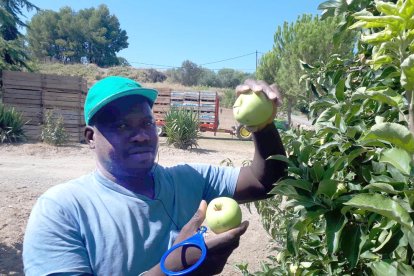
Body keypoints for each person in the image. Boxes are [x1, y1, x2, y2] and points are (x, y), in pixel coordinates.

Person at [23, 76, 287, 275]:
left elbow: (265, 182)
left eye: (147, 123)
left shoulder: (189, 179)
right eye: (122, 125)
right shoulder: (61, 210)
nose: (141, 135)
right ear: (91, 137)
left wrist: (261, 124)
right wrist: (173, 268)